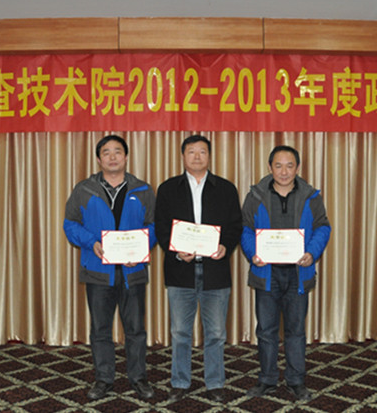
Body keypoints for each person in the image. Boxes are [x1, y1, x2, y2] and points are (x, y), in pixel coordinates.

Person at [63, 135, 157, 400]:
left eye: (118, 151)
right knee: (100, 329)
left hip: (132, 271)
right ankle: (104, 379)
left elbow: (154, 225)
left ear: (126, 157)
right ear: (98, 159)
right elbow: (70, 224)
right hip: (98, 271)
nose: (112, 157)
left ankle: (138, 378)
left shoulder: (143, 190)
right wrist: (91, 242)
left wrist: (140, 249)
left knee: (135, 330)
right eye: (106, 152)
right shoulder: (84, 189)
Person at [155, 135, 242, 403]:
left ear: (209, 156)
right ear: (183, 156)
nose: (196, 156)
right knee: (180, 332)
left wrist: (226, 246)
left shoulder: (225, 188)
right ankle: (180, 382)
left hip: (215, 270)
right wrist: (175, 250)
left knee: (215, 333)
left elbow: (235, 226)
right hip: (180, 270)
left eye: (202, 151)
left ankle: (214, 383)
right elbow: (161, 227)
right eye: (191, 151)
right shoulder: (168, 188)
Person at [240, 145, 331, 402]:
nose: (284, 171)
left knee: (295, 331)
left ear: (297, 168)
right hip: (266, 273)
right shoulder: (255, 196)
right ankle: (267, 379)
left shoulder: (311, 196)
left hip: (297, 274)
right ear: (270, 167)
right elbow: (245, 228)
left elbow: (322, 227)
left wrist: (312, 252)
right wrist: (253, 253)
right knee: (266, 330)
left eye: (289, 166)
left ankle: (296, 380)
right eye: (278, 166)